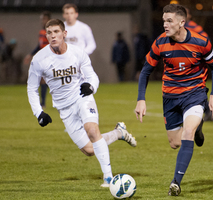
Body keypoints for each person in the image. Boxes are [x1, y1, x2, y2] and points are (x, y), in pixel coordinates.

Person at [27, 19, 137, 187]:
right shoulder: (39, 59)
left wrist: (91, 86)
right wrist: (38, 112)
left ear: (64, 34)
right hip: (64, 108)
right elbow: (31, 88)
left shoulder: (77, 53)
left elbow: (92, 76)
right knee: (89, 150)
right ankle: (118, 133)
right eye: (49, 32)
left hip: (82, 98)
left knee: (92, 131)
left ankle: (108, 178)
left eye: (56, 31)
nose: (52, 35)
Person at [134, 4, 213, 196]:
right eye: (164, 20)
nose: (165, 24)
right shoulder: (160, 43)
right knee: (175, 143)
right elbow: (146, 71)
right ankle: (197, 128)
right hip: (170, 97)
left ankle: (176, 182)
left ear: (182, 22)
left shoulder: (200, 41)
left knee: (187, 132)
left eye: (169, 21)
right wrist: (141, 99)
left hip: (195, 94)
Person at [184, 7, 213, 121]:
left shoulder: (195, 27)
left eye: (185, 14)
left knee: (194, 86)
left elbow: (206, 41)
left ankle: (207, 109)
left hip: (194, 62)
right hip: (183, 62)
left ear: (190, 16)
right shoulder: (178, 28)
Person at [24, 11, 51, 108]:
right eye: (42, 19)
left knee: (54, 80)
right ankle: (42, 103)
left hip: (51, 58)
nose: (42, 21)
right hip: (43, 59)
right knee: (43, 80)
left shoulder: (52, 32)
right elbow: (39, 46)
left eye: (44, 19)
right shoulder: (41, 32)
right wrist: (30, 54)